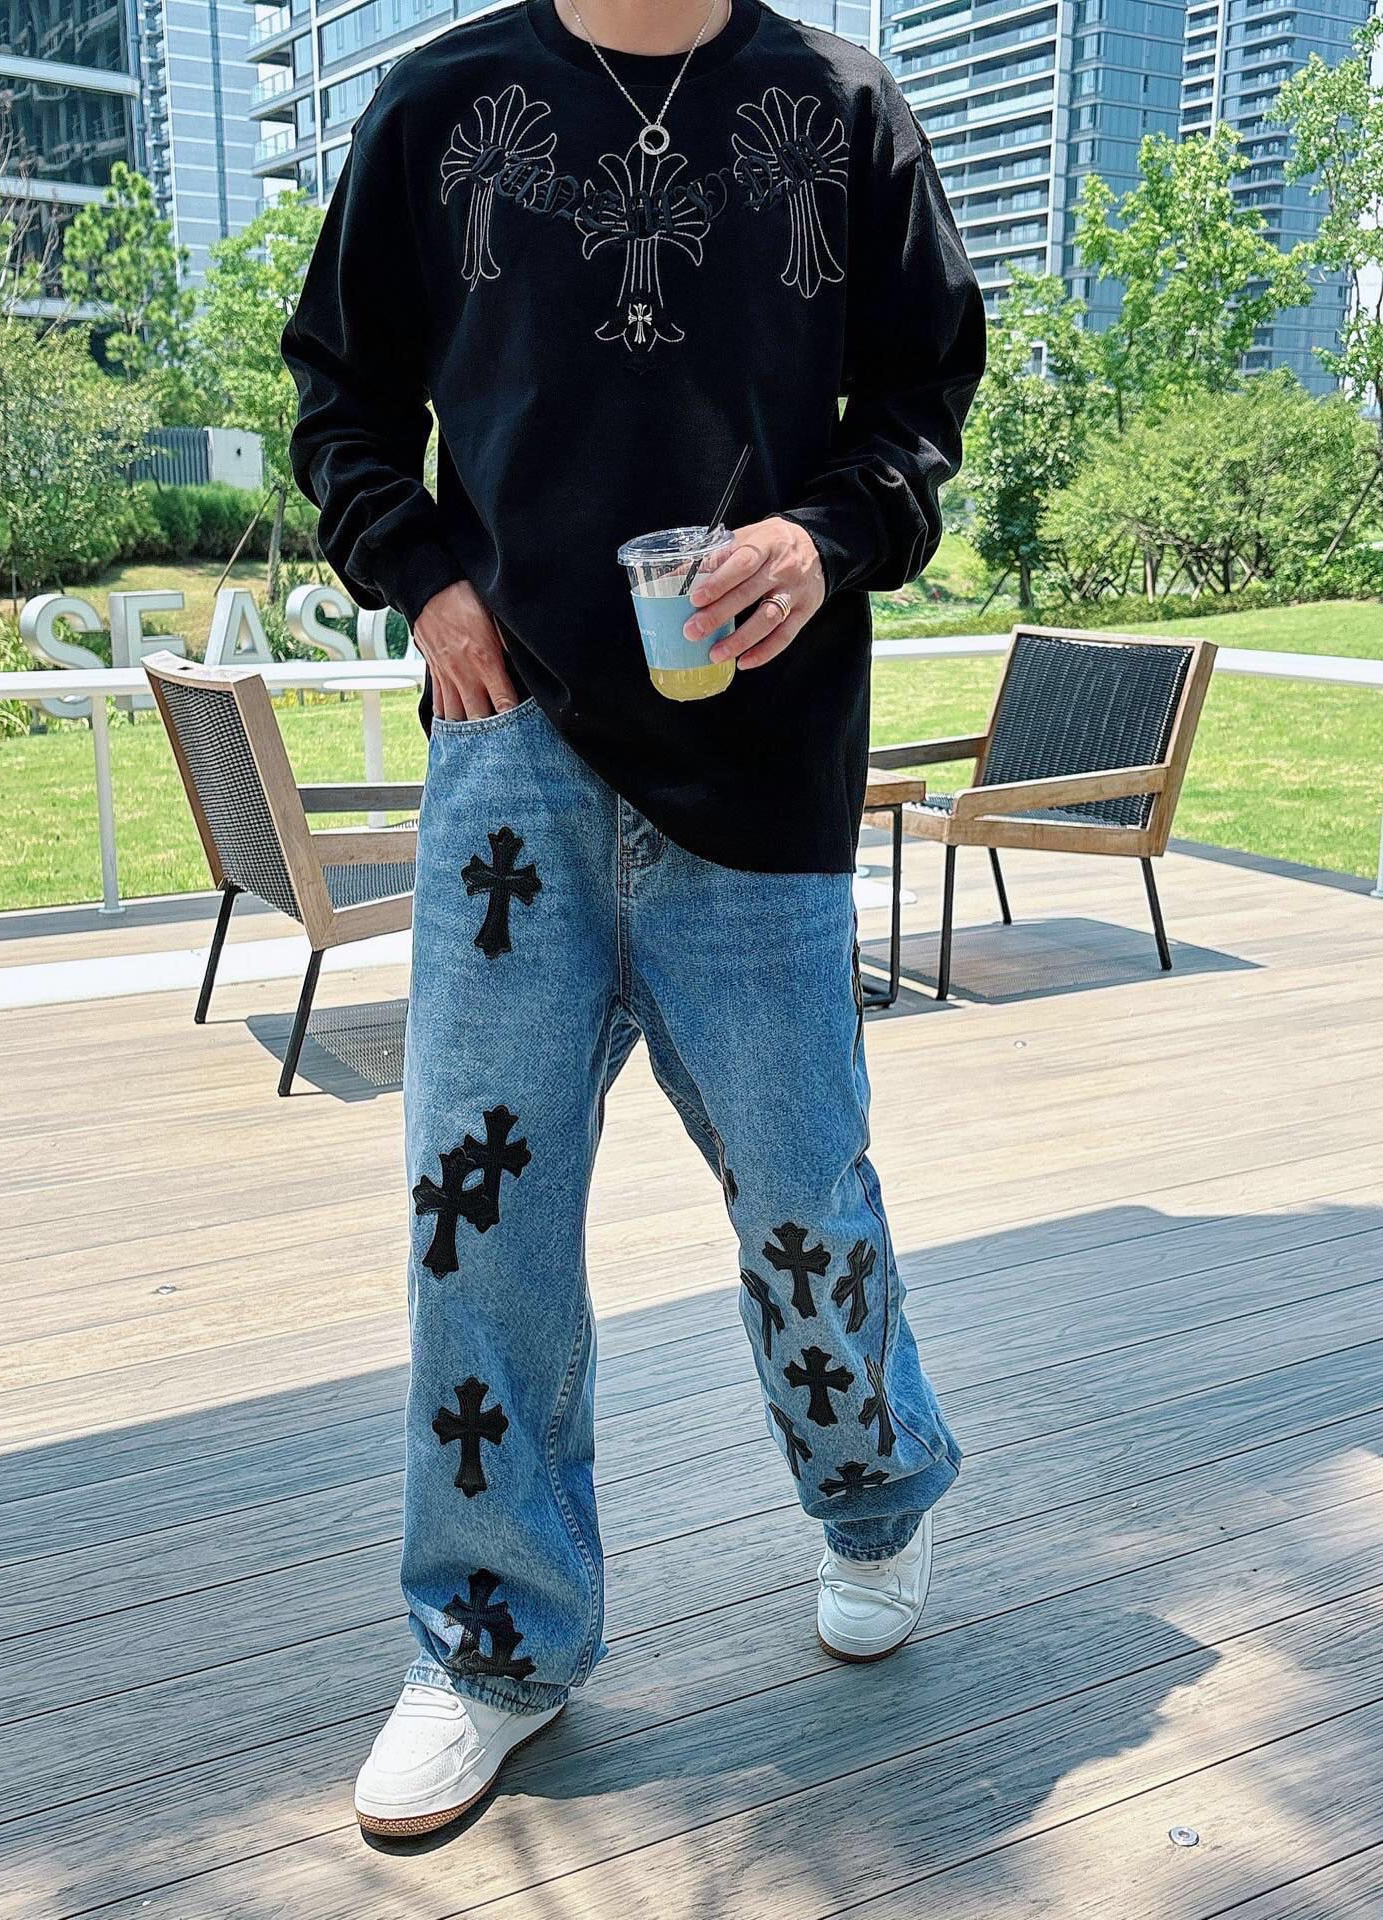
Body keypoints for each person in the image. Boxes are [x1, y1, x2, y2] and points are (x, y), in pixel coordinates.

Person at [284, 0, 985, 1839]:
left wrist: (827, 538)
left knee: (802, 1183)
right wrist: (428, 587)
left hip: (765, 755)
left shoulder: (843, 105)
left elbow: (922, 401)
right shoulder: (438, 102)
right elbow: (339, 398)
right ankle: (491, 1641)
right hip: (509, 749)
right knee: (477, 1218)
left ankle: (875, 1500)